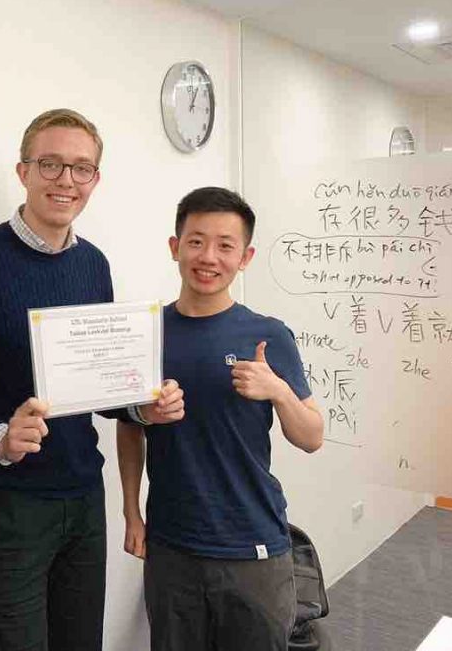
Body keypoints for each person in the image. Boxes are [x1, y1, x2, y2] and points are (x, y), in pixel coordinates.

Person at [0, 108, 185, 651]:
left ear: (95, 180)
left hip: (81, 495)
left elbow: (96, 384)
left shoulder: (94, 265)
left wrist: (142, 407)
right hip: (5, 503)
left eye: (81, 169)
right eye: (50, 164)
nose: (65, 181)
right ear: (23, 171)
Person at [117, 186, 323, 651]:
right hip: (171, 545)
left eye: (225, 245)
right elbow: (129, 426)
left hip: (253, 545)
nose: (208, 257)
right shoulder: (147, 332)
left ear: (245, 257)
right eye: (196, 241)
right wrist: (131, 512)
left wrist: (278, 391)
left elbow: (311, 436)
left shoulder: (267, 335)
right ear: (175, 247)